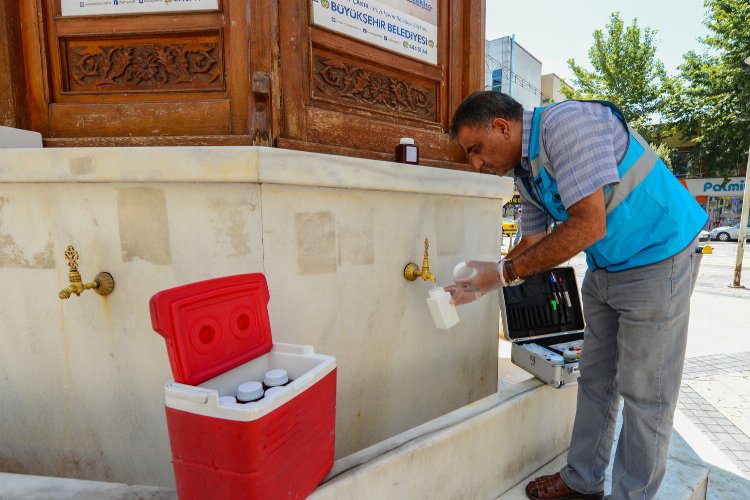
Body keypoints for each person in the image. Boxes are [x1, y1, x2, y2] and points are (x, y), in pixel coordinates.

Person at [446, 92, 707, 500]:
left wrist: (503, 272)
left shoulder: (566, 126)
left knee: (646, 395)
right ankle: (583, 481)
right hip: (607, 269)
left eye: (475, 149)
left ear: (502, 126)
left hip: (660, 256)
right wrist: (486, 280)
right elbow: (533, 243)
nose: (475, 163)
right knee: (596, 379)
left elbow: (588, 226)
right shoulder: (525, 173)